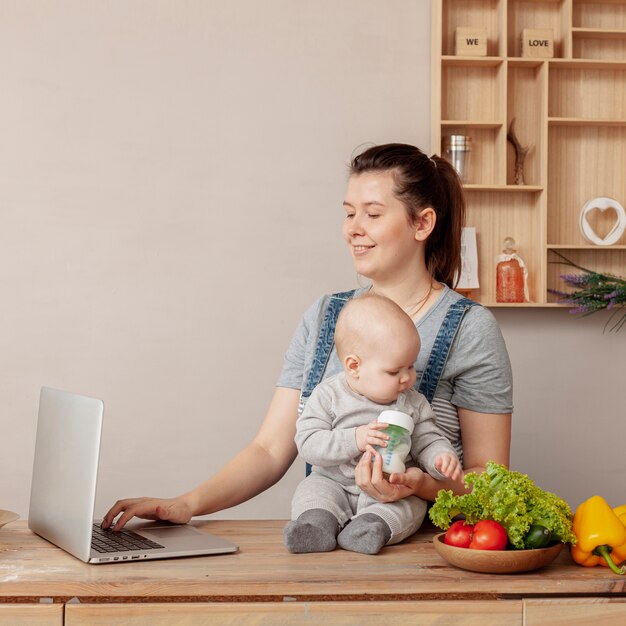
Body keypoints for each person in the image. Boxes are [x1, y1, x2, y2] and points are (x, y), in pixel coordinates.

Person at [102, 143, 512, 533]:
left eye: (372, 214)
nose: (354, 229)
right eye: (349, 213)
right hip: (325, 548)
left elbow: (490, 482)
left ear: (422, 223)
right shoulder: (324, 317)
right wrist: (186, 504)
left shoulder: (469, 328)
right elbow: (269, 450)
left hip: (421, 553)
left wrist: (419, 485)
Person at [285, 292, 463, 555]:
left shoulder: (413, 403)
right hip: (335, 482)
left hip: (393, 489)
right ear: (354, 365)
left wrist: (441, 457)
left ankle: (371, 527)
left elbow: (428, 439)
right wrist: (355, 438)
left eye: (411, 366)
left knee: (412, 507)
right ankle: (316, 526)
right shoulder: (328, 395)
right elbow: (308, 443)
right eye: (394, 371)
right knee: (312, 490)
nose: (407, 379)